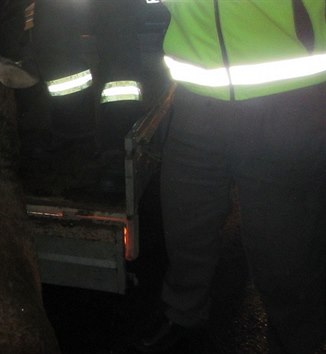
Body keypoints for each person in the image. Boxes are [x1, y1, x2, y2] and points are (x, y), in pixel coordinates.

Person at [135, 1, 326, 353]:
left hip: (286, 99)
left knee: (285, 249)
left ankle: (298, 338)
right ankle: (183, 318)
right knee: (186, 224)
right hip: (196, 98)